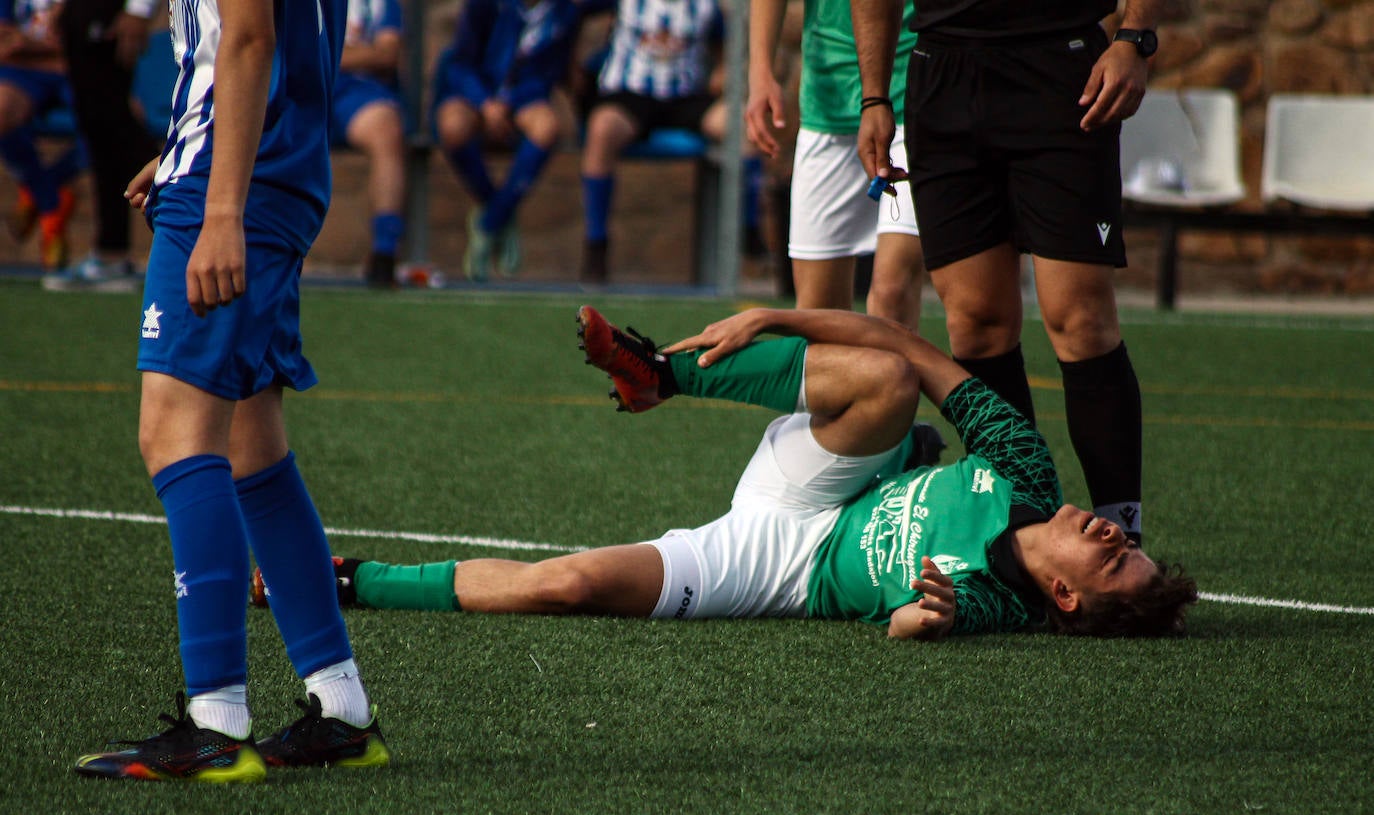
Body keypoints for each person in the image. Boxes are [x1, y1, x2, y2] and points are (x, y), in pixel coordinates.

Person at [268, 307, 1194, 640]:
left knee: (574, 583)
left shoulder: (999, 603)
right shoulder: (1024, 467)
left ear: (1066, 599)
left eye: (1115, 562)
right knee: (887, 379)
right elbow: (904, 342)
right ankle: (657, 376)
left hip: (777, 567)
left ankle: (342, 579)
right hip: (823, 485)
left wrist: (925, 618)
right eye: (1124, 541)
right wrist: (772, 316)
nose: (1113, 532)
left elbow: (914, 625)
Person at [74, 0, 389, 782]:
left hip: (238, 182)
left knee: (176, 434)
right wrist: (192, 147)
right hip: (263, 167)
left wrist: (219, 204)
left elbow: (250, 35)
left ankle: (214, 721)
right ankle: (341, 710)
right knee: (251, 443)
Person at [849, 0, 1160, 545]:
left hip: (1062, 69)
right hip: (940, 76)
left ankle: (1123, 541)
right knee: (976, 324)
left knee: (1080, 321)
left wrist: (1134, 37)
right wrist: (874, 95)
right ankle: (1025, 533)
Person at [746, 0, 923, 326]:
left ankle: (895, 378)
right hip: (828, 97)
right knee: (819, 314)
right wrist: (760, 72)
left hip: (916, 96)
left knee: (892, 292)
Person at [579, 0, 762, 284]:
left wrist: (723, 71)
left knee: (743, 128)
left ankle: (748, 230)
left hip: (685, 96)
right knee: (602, 130)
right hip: (629, 95)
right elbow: (572, 13)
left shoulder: (706, 6)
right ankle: (596, 245)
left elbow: (725, 45)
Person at [433, 0, 613, 282]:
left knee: (547, 126)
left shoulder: (565, 9)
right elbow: (460, 64)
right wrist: (486, 104)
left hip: (527, 97)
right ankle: (500, 210)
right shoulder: (485, 6)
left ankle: (489, 222)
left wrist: (509, 102)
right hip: (477, 95)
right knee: (452, 125)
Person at [42, 0, 160, 292]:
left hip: (109, 11)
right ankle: (111, 252)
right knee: (97, 130)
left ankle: (195, 226)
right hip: (81, 13)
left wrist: (140, 8)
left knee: (115, 124)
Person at [0, 0, 83, 274]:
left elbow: (89, 38)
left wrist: (31, 46)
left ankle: (41, 193)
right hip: (23, 71)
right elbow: (5, 41)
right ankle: (51, 205)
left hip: (78, 70)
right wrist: (52, 50)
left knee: (119, 122)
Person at [333, 0, 407, 288]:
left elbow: (387, 54)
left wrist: (331, 54)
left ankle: (384, 253)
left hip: (356, 94)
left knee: (387, 130)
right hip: (300, 86)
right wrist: (364, 53)